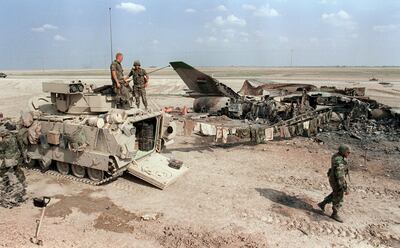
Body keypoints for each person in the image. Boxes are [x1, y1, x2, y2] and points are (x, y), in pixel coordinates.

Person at [318, 144, 351, 223]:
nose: (349, 154)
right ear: (343, 152)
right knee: (339, 197)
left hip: (333, 178)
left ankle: (323, 203)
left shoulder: (336, 156)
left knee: (335, 193)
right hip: (337, 181)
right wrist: (345, 188)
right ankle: (335, 214)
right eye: (348, 152)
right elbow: (340, 176)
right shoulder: (339, 161)